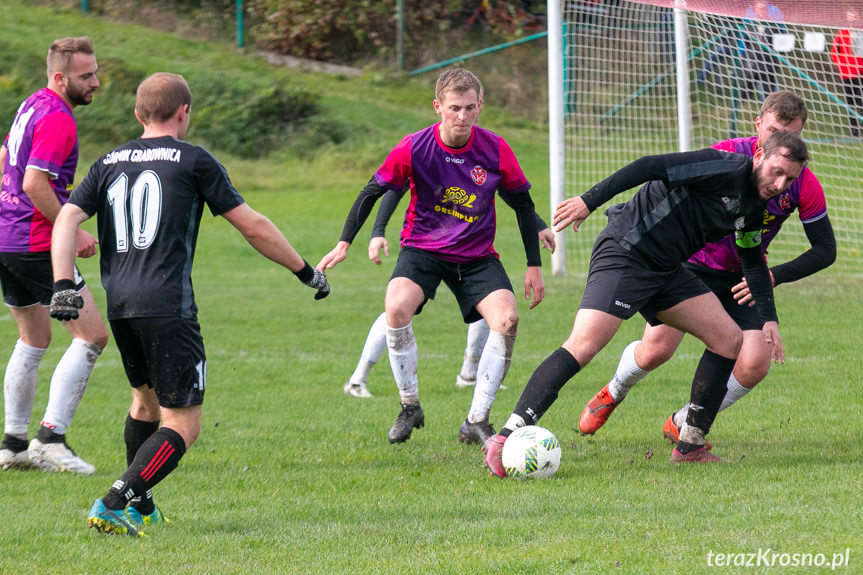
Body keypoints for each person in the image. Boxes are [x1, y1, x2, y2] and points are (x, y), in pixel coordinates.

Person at [49, 72, 330, 537]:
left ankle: (140, 502)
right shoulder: (194, 160)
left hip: (121, 304)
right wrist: (305, 271)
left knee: (145, 402)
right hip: (167, 305)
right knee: (183, 422)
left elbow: (66, 218)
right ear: (184, 113)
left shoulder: (109, 161)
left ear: (139, 114)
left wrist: (64, 282)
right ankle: (115, 500)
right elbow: (253, 226)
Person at [484, 129, 809, 476]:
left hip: (666, 269)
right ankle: (506, 437)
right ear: (759, 156)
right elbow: (650, 166)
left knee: (728, 339)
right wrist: (589, 200)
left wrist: (767, 316)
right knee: (584, 345)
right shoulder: (721, 167)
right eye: (777, 171)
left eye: (789, 179)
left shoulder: (755, 207)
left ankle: (690, 445)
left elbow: (752, 258)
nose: (779, 183)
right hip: (627, 250)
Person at [577, 91, 836, 439]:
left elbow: (825, 249)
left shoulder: (801, 182)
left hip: (741, 278)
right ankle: (615, 389)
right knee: (657, 349)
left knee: (756, 361)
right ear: (758, 126)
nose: (782, 141)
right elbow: (659, 177)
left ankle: (685, 422)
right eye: (773, 130)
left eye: (792, 133)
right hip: (690, 266)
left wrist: (773, 276)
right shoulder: (726, 156)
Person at [318, 68, 545, 446]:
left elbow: (522, 205)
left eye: (470, 108)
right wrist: (345, 243)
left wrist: (533, 266)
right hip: (423, 250)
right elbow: (373, 191)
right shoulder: (414, 146)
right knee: (396, 309)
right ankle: (410, 406)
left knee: (507, 319)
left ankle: (477, 420)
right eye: (454, 108)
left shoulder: (496, 148)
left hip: (476, 256)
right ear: (438, 106)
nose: (462, 116)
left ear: (480, 107)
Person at [0, 36, 109, 474]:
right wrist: (73, 228)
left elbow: (6, 155)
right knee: (92, 335)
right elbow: (33, 183)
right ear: (60, 77)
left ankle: (12, 444)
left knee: (34, 338)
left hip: (7, 239)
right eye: (86, 75)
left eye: (95, 72)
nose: (96, 82)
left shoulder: (32, 103)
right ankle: (51, 439)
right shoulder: (59, 118)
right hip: (33, 243)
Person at [343, 187, 556, 399]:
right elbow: (393, 188)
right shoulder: (424, 153)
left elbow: (506, 187)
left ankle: (469, 373)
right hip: (426, 246)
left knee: (488, 298)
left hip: (465, 244)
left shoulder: (480, 154)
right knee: (398, 308)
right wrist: (378, 231)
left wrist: (536, 224)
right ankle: (357, 380)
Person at [830, 8, 863, 137]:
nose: (853, 18)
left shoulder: (861, 32)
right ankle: (853, 131)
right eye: (850, 16)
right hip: (847, 74)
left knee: (861, 102)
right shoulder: (842, 33)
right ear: (846, 18)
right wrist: (841, 66)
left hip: (861, 74)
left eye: (855, 16)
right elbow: (834, 52)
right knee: (850, 102)